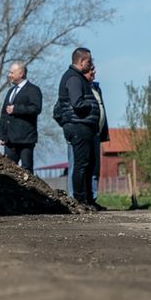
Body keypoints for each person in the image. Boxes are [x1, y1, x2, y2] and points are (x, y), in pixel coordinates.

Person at [55, 47, 100, 206]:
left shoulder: (78, 77)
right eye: (89, 61)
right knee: (81, 165)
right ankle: (80, 200)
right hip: (78, 127)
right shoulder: (74, 78)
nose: (91, 64)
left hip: (83, 127)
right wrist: (91, 106)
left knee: (87, 165)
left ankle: (87, 199)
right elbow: (77, 103)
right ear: (81, 62)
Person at [68, 61, 110, 210]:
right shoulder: (76, 86)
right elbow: (61, 110)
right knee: (78, 166)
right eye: (90, 70)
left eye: (94, 70)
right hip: (81, 131)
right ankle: (77, 199)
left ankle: (91, 199)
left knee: (93, 168)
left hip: (95, 133)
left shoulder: (96, 88)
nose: (93, 73)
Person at [0, 61, 42, 173]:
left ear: (21, 73)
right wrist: (1, 135)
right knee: (9, 171)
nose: (9, 75)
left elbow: (36, 108)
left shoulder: (33, 90)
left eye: (12, 72)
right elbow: (4, 114)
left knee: (26, 170)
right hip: (10, 140)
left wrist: (16, 109)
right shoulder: (10, 92)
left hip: (25, 139)